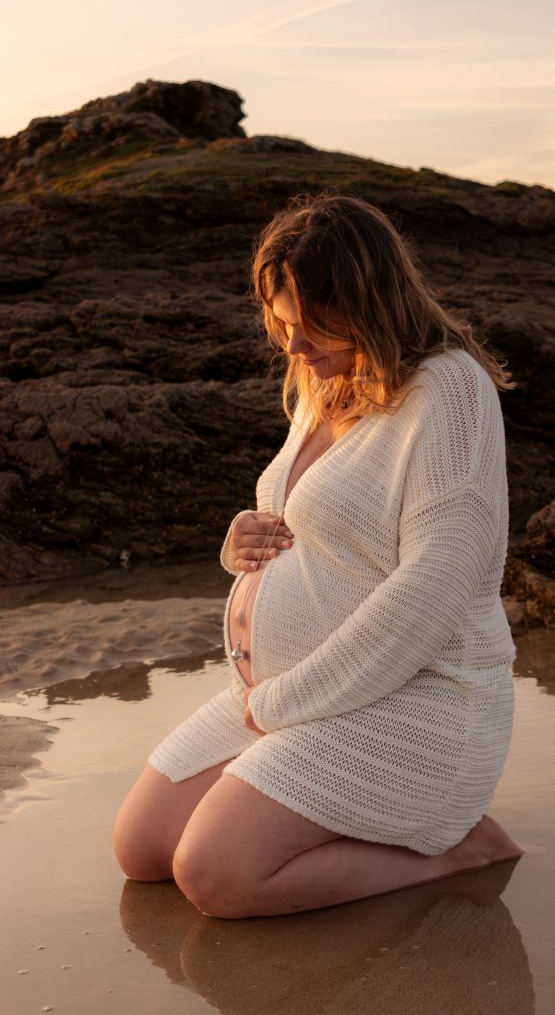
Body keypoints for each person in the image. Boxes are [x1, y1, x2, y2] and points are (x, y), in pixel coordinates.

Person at [113, 190, 524, 919]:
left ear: (371, 301)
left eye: (312, 325)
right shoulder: (323, 382)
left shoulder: (449, 393)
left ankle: (463, 848)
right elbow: (316, 521)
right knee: (141, 850)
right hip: (291, 694)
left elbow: (431, 590)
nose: (294, 346)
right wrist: (241, 538)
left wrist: (281, 705)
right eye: (281, 324)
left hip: (418, 699)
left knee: (216, 874)